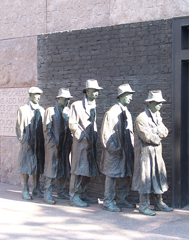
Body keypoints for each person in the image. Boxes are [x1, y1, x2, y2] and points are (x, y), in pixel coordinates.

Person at [132, 90, 173, 216]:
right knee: (145, 179)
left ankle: (159, 203)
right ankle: (143, 205)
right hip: (145, 154)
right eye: (157, 102)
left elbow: (165, 131)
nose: (160, 105)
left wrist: (158, 133)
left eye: (160, 102)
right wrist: (158, 133)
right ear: (149, 103)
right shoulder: (141, 118)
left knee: (158, 177)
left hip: (157, 153)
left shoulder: (157, 116)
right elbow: (149, 138)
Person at [100, 83, 136, 212]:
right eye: (129, 95)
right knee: (112, 176)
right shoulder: (112, 112)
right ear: (122, 96)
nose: (131, 98)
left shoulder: (126, 112)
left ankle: (122, 199)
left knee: (126, 175)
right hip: (114, 152)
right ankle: (108, 201)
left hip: (126, 151)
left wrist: (130, 148)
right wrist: (115, 150)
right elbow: (106, 135)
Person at [68, 79, 103, 207]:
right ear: (87, 91)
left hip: (91, 142)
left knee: (89, 170)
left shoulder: (94, 105)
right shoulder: (76, 105)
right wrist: (82, 137)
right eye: (94, 91)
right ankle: (74, 196)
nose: (96, 94)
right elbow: (72, 124)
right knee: (77, 170)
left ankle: (83, 193)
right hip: (80, 144)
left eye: (97, 91)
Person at [43, 88, 73, 204]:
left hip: (64, 146)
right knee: (51, 170)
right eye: (65, 99)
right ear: (59, 98)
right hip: (54, 146)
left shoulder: (68, 111)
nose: (67, 101)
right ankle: (47, 194)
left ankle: (61, 192)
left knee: (64, 168)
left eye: (68, 99)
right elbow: (46, 130)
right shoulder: (50, 111)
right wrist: (52, 143)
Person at [16, 86, 45, 200]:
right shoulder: (23, 109)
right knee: (25, 166)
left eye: (39, 95)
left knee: (37, 165)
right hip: (28, 142)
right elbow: (19, 127)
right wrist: (23, 139)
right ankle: (24, 189)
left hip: (39, 142)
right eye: (35, 95)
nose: (38, 97)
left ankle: (36, 188)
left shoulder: (42, 110)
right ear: (30, 96)